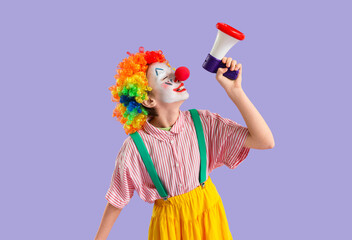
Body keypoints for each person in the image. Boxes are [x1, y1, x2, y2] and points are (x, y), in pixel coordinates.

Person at [94, 47, 275, 240]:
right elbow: (117, 198)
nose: (180, 76)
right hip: (169, 227)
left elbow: (264, 141)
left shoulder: (203, 122)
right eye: (166, 78)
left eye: (173, 72)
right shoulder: (135, 147)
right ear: (148, 99)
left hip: (209, 217)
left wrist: (235, 91)